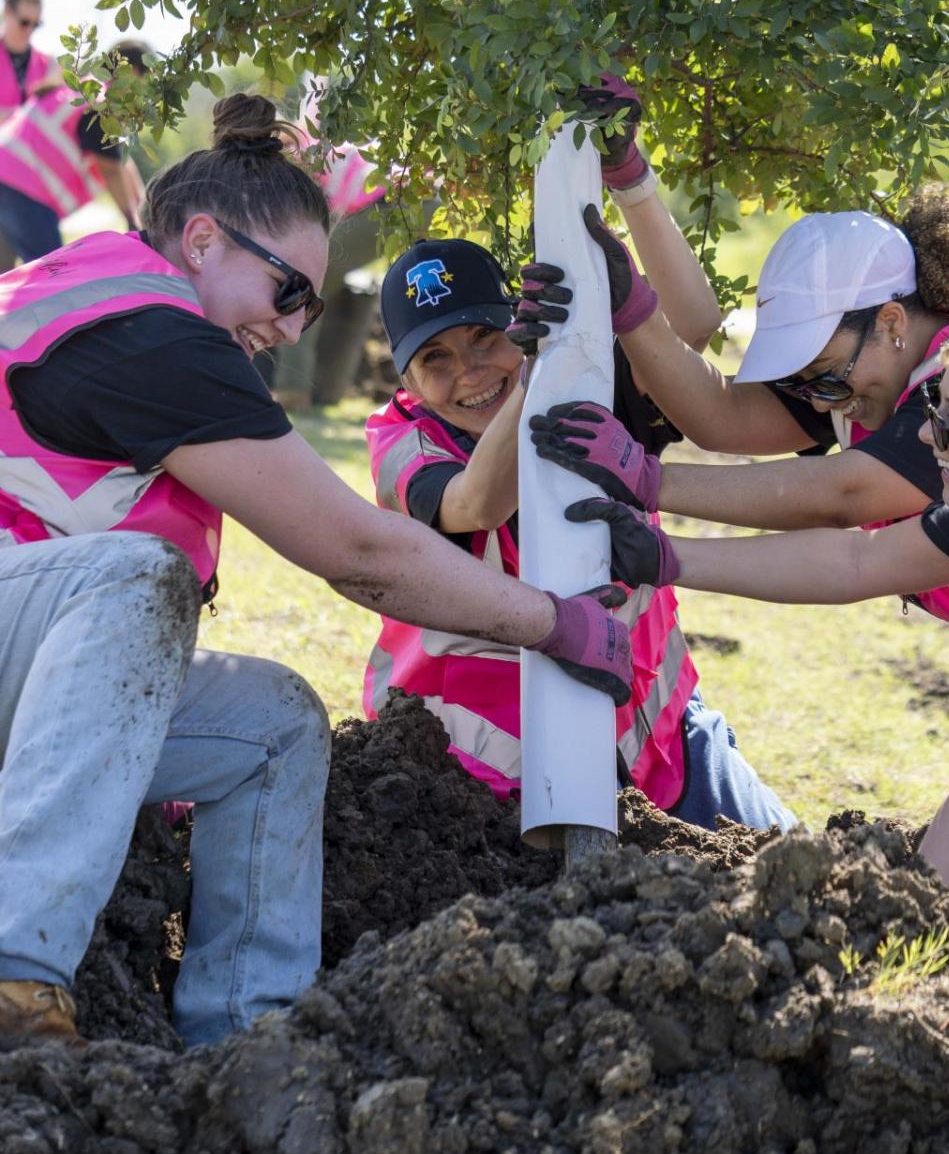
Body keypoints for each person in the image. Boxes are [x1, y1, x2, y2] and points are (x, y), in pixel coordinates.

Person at [0, 92, 631, 1054]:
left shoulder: (122, 298)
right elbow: (357, 551)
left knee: (276, 723)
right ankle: (17, 974)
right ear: (202, 241)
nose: (295, 331)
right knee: (134, 577)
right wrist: (551, 621)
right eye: (289, 291)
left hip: (24, 655)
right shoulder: (152, 329)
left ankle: (249, 1040)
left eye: (314, 305)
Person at [563, 301, 949, 932]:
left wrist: (879, 944)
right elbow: (859, 562)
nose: (928, 437)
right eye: (933, 409)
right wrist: (664, 555)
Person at [363, 77, 795, 832]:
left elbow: (692, 328)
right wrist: (530, 372)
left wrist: (630, 179)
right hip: (478, 775)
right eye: (435, 360)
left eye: (484, 339)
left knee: (798, 862)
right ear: (404, 380)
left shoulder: (585, 377)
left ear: (516, 321)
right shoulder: (402, 440)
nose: (469, 373)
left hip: (662, 743)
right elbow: (474, 503)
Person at [522, 187, 949, 637]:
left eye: (822, 374)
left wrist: (647, 479)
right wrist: (634, 311)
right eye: (803, 381)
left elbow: (844, 495)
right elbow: (722, 416)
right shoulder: (866, 369)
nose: (819, 401)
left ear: (890, 323)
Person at [0, 42, 150, 261]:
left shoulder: (86, 88)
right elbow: (110, 169)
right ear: (133, 73)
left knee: (6, 281)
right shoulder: (101, 103)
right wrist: (132, 220)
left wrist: (143, 209)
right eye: (144, 83)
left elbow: (121, 163)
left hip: (9, 178)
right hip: (21, 189)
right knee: (52, 275)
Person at [272, 136, 385, 411]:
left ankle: (293, 392)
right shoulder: (309, 148)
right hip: (408, 201)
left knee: (300, 289)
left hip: (392, 206)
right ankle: (324, 391)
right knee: (312, 287)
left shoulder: (296, 160)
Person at [0, 0, 53, 123]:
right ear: (7, 11)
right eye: (24, 22)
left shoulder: (48, 65)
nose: (29, 30)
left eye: (36, 24)